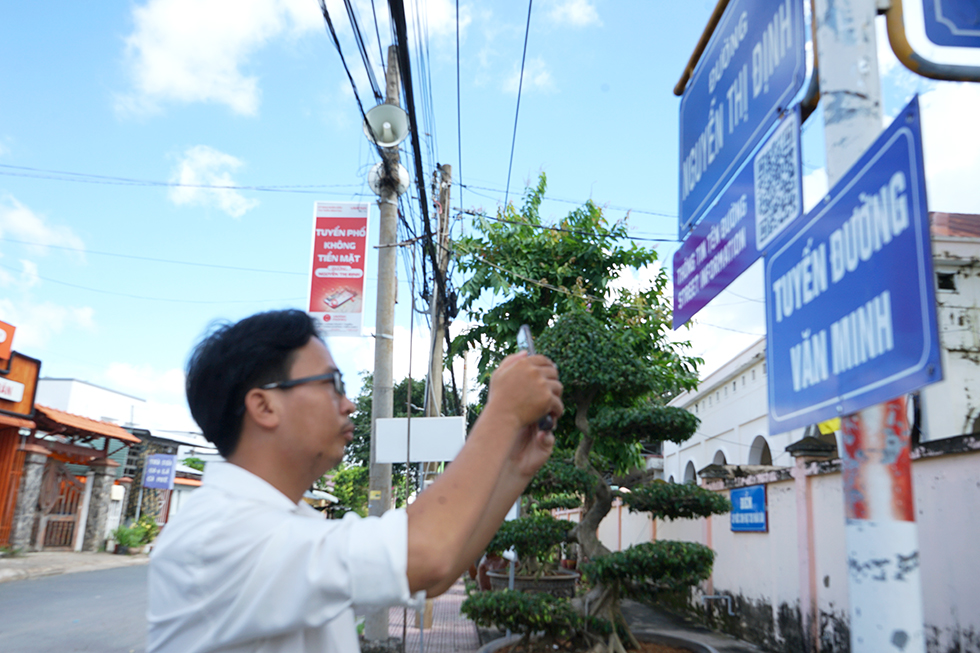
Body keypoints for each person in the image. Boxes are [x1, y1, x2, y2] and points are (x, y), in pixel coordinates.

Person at [147, 309, 563, 653]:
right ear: (264, 405)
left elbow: (436, 576)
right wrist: (503, 413)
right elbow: (425, 555)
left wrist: (514, 468)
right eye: (332, 384)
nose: (348, 404)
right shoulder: (222, 532)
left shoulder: (292, 522)